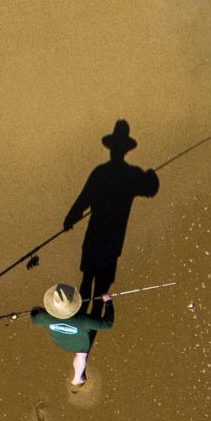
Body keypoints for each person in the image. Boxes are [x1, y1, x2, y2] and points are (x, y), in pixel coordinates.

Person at [65, 120, 160, 312]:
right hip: (111, 241)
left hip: (96, 238)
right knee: (101, 287)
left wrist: (69, 219)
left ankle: (83, 319)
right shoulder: (131, 176)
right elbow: (151, 188)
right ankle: (92, 324)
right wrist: (150, 174)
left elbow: (83, 200)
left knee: (89, 280)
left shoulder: (101, 173)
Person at [28, 282, 111, 388]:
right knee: (81, 355)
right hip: (80, 345)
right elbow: (107, 324)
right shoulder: (83, 320)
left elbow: (34, 320)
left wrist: (35, 310)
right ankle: (77, 378)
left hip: (60, 342)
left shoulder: (44, 317)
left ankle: (78, 378)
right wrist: (108, 302)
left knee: (80, 355)